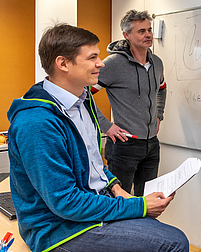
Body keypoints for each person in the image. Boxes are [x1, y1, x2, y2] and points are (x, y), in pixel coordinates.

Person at [7, 23, 188, 252]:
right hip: (58, 229)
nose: (101, 63)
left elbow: (93, 164)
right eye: (92, 57)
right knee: (173, 242)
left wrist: (115, 188)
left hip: (88, 207)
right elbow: (66, 203)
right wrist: (139, 206)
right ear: (63, 63)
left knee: (158, 232)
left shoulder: (83, 100)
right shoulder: (37, 123)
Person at [92, 9, 165, 196]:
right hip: (124, 145)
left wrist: (158, 114)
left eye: (149, 30)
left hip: (151, 144)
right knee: (119, 203)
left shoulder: (156, 62)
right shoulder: (113, 64)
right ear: (127, 35)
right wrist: (106, 126)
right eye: (141, 31)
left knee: (150, 200)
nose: (148, 34)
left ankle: (146, 228)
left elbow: (162, 88)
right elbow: (83, 94)